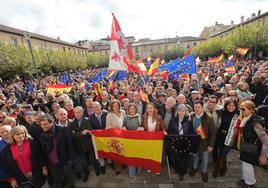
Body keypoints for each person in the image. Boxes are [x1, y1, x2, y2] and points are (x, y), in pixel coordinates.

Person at [38, 115, 75, 188]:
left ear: (51, 122)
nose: (43, 126)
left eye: (45, 124)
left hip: (64, 160)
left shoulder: (63, 130)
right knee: (57, 179)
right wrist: (44, 165)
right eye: (41, 124)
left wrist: (71, 159)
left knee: (68, 176)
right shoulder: (40, 134)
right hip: (51, 162)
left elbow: (69, 145)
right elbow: (41, 151)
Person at [239, 101, 268, 187]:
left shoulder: (256, 123)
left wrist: (264, 155)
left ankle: (250, 183)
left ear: (251, 110)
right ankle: (245, 179)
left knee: (248, 164)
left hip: (251, 147)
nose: (241, 111)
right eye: (240, 108)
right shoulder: (246, 117)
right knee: (245, 163)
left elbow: (265, 140)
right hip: (246, 145)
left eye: (243, 109)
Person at [189, 100, 216, 183]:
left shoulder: (209, 118)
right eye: (195, 107)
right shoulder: (192, 116)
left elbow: (213, 133)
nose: (197, 109)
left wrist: (211, 145)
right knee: (195, 156)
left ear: (202, 107)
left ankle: (204, 172)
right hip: (195, 142)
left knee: (205, 158)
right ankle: (194, 168)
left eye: (199, 107)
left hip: (205, 143)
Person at [214, 98, 240, 177]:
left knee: (223, 154)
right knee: (222, 152)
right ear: (226, 105)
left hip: (230, 137)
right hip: (220, 136)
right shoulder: (221, 112)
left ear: (236, 107)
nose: (231, 107)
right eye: (229, 105)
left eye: (233, 106)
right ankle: (224, 167)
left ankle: (216, 169)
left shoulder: (238, 114)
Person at [167, 104, 193, 181]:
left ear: (186, 112)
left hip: (185, 141)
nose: (181, 112)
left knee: (184, 158)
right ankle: (177, 169)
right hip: (176, 141)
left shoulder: (188, 120)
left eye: (183, 111)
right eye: (180, 111)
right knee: (176, 156)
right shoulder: (173, 120)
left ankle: (182, 172)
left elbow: (191, 131)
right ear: (177, 112)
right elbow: (170, 130)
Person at [69, 106, 95, 181]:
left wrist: (76, 132)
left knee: (93, 158)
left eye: (78, 112)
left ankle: (97, 168)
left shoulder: (87, 120)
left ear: (82, 112)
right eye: (75, 112)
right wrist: (81, 133)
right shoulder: (72, 122)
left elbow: (90, 131)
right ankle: (86, 173)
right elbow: (72, 135)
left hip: (88, 144)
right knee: (83, 161)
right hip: (79, 146)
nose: (77, 114)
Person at [105, 100, 126, 174]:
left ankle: (124, 163)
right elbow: (107, 127)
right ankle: (118, 167)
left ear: (119, 106)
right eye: (113, 106)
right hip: (115, 137)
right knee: (117, 151)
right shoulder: (109, 115)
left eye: (117, 105)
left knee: (124, 150)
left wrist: (124, 127)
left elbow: (126, 121)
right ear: (111, 107)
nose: (115, 107)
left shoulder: (123, 112)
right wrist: (114, 127)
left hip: (124, 135)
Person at [122, 103, 143, 178]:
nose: (132, 110)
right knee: (131, 156)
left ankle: (139, 168)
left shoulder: (139, 116)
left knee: (138, 155)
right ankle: (132, 171)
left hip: (138, 140)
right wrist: (124, 127)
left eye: (133, 108)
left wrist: (141, 128)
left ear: (136, 109)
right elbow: (123, 125)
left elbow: (143, 126)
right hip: (129, 141)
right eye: (130, 109)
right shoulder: (126, 117)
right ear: (128, 110)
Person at [89, 102, 108, 174]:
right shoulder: (91, 117)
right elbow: (91, 128)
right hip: (97, 139)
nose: (96, 108)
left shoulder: (106, 114)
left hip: (107, 137)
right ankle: (102, 165)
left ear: (100, 106)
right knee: (100, 152)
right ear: (92, 109)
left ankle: (109, 162)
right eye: (94, 107)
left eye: (97, 106)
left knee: (109, 149)